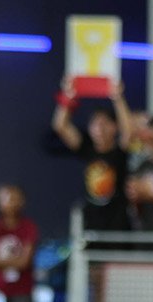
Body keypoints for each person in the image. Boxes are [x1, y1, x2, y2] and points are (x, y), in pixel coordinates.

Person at [50, 80, 133, 234]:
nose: (100, 129)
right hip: (91, 218)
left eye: (105, 124)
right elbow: (60, 126)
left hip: (118, 219)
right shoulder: (85, 149)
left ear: (115, 127)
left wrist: (118, 97)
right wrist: (68, 96)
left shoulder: (120, 151)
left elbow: (128, 131)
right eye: (95, 124)